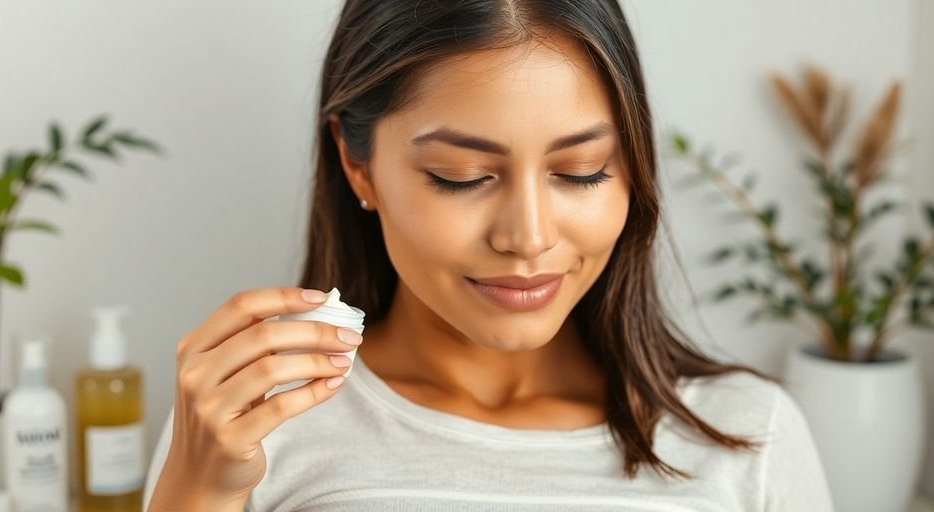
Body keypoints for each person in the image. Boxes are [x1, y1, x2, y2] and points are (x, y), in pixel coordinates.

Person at [144, 1, 834, 510]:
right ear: (358, 167)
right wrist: (198, 488)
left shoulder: (748, 435)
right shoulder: (253, 423)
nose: (529, 237)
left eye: (582, 170)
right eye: (460, 177)